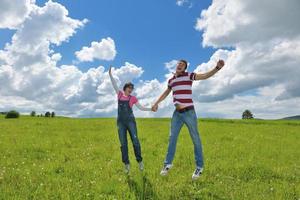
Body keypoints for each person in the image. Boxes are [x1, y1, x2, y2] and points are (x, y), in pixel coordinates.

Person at [152, 59, 225, 180]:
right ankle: (167, 164)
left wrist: (217, 68)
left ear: (185, 68)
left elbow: (204, 76)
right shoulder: (171, 80)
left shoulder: (188, 76)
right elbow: (166, 92)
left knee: (195, 139)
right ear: (176, 66)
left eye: (183, 65)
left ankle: (199, 167)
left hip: (189, 112)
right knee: (172, 138)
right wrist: (156, 103)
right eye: (179, 64)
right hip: (177, 114)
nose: (180, 65)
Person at [109, 66, 152, 173]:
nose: (131, 89)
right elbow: (114, 84)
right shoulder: (119, 95)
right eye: (129, 87)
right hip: (120, 122)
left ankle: (140, 161)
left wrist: (151, 108)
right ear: (125, 88)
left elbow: (141, 107)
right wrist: (110, 74)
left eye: (132, 88)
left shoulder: (133, 98)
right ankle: (126, 164)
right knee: (123, 144)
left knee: (135, 141)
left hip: (130, 121)